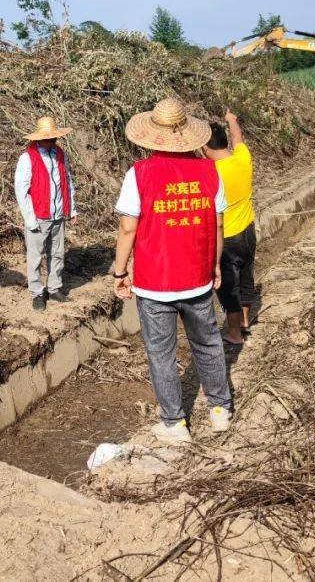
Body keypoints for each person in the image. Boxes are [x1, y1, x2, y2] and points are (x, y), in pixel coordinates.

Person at [113, 97, 232, 442]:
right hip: (197, 277)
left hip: (154, 283)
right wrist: (214, 265)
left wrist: (120, 273)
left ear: (153, 135)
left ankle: (174, 423)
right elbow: (218, 225)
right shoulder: (210, 171)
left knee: (161, 353)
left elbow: (127, 229)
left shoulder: (139, 174)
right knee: (208, 343)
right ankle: (220, 409)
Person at [203, 109, 256, 344]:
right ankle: (245, 321)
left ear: (205, 148)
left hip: (228, 237)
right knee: (246, 276)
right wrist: (232, 120)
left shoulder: (210, 173)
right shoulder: (242, 158)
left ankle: (234, 333)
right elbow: (239, 139)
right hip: (248, 230)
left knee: (228, 286)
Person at [14, 116, 78, 310]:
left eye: (54, 138)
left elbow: (67, 182)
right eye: (49, 138)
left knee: (57, 252)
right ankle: (37, 292)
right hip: (39, 216)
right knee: (35, 256)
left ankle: (54, 287)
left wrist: (72, 208)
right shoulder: (27, 158)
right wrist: (30, 219)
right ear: (39, 138)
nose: (52, 141)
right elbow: (21, 190)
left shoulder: (59, 154)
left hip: (58, 214)